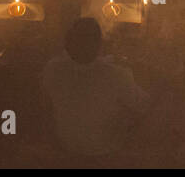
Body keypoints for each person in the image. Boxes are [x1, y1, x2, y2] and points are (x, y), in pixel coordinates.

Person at [42, 18, 148, 162]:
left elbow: (82, 67)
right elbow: (144, 105)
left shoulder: (53, 69)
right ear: (99, 45)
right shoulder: (117, 75)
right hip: (105, 156)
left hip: (63, 152)